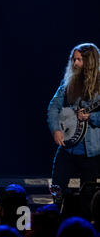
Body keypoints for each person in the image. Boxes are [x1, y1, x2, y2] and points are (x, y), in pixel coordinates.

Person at [47, 43, 100, 203]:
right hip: (67, 149)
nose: (74, 63)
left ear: (89, 61)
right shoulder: (68, 83)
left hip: (92, 153)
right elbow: (53, 106)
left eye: (78, 60)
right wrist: (56, 129)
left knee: (87, 198)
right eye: (73, 59)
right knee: (57, 190)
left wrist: (91, 117)